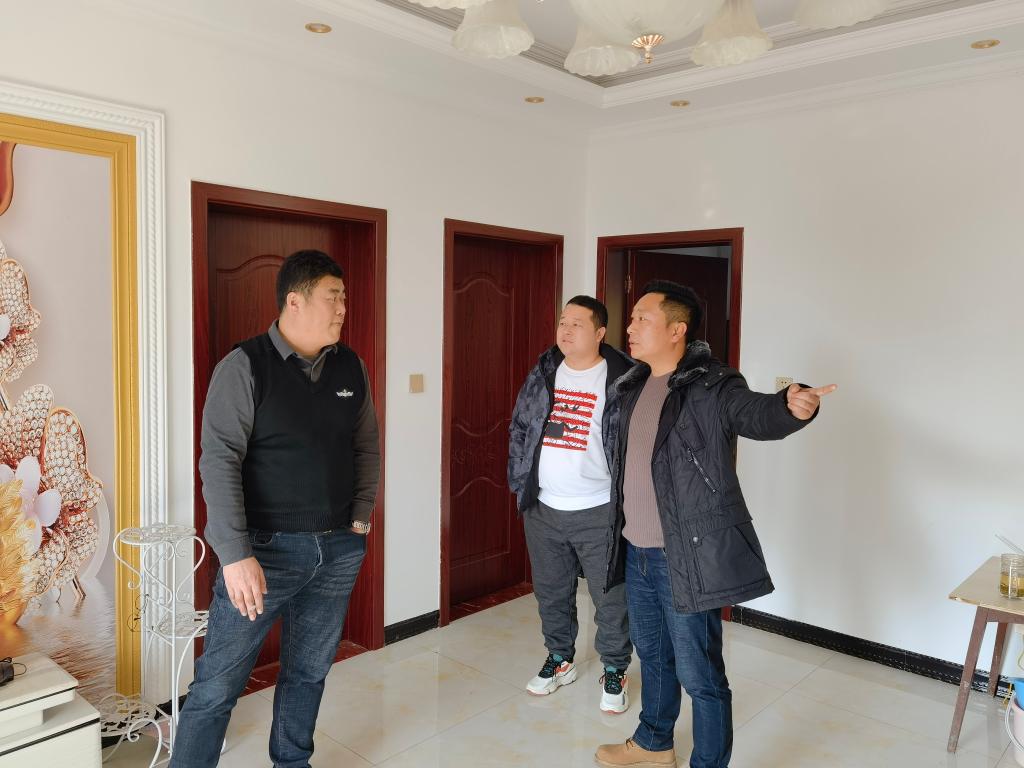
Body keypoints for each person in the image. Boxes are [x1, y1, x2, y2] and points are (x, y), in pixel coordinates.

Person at [595, 280, 836, 768]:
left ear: (677, 329)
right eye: (633, 318)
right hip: (636, 551)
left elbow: (754, 413)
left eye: (642, 318)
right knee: (653, 656)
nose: (630, 326)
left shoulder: (712, 385)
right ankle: (654, 743)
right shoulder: (633, 385)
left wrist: (788, 406)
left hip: (684, 556)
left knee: (700, 674)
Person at [171, 249, 380, 768]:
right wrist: (234, 554)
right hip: (263, 555)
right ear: (295, 300)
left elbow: (366, 447)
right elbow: (218, 460)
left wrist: (359, 519)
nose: (343, 309)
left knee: (308, 672)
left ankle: (292, 761)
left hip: (337, 550)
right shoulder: (244, 366)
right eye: (334, 297)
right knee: (216, 686)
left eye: (344, 299)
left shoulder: (350, 366)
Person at [508, 295, 635, 714]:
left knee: (609, 596)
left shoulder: (624, 378)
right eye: (563, 321)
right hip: (544, 508)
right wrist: (520, 483)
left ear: (599, 332)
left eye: (577, 323)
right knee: (551, 592)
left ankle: (615, 668)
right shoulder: (545, 371)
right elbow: (520, 427)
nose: (566, 329)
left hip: (599, 508)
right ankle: (560, 658)